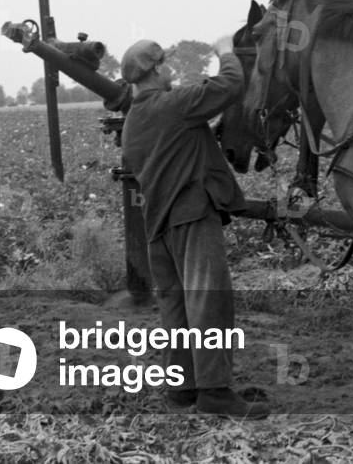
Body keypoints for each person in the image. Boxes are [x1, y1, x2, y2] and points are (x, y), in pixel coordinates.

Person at [120, 36, 270, 419]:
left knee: (177, 307)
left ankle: (183, 387)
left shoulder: (134, 121)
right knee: (209, 301)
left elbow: (177, 146)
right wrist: (225, 53)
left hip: (159, 224)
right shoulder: (173, 106)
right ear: (156, 70)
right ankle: (215, 392)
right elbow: (230, 86)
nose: (171, 68)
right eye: (166, 63)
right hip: (190, 217)